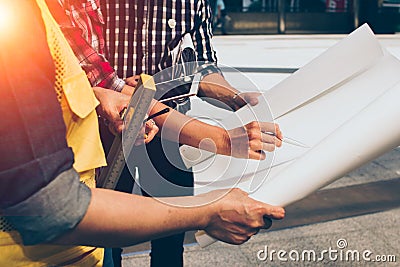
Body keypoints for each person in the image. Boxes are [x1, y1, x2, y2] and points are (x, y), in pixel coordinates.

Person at [0, 1, 285, 266]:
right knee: (115, 232)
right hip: (110, 140)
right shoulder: (24, 17)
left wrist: (231, 95)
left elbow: (198, 64)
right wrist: (208, 204)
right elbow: (55, 207)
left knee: (168, 239)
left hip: (160, 134)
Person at [99, 1, 265, 266]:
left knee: (172, 233)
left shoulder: (193, 3)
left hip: (171, 130)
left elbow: (204, 66)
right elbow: (92, 68)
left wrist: (232, 95)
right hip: (110, 125)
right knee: (106, 230)